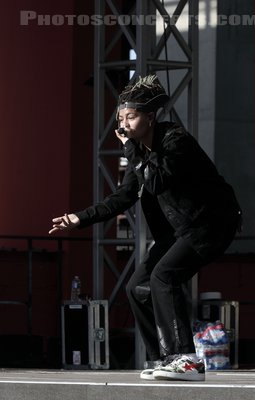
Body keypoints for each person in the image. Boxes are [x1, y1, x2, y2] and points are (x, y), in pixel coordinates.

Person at [49, 75, 241, 381]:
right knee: (137, 287)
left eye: (131, 117)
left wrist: (130, 152)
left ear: (150, 118)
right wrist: (79, 218)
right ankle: (164, 358)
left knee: (164, 276)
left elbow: (156, 180)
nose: (124, 124)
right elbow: (123, 197)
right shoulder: (140, 155)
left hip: (211, 222)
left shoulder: (175, 141)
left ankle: (187, 359)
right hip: (180, 230)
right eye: (121, 118)